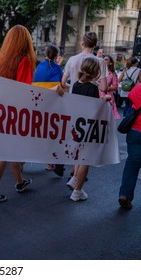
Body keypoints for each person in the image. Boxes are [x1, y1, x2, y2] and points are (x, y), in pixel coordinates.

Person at [0, 25, 36, 203]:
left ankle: (19, 182)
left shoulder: (0, 59)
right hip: (14, 112)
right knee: (5, 152)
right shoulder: (24, 60)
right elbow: (24, 90)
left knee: (12, 149)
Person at [62, 32, 108, 190]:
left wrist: (75, 87)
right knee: (86, 152)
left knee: (77, 146)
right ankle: (77, 186)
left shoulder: (73, 59)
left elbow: (63, 82)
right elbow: (104, 88)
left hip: (74, 107)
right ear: (95, 44)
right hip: (89, 113)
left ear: (82, 43)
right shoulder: (99, 61)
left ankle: (74, 178)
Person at [69, 57, 110, 201]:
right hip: (87, 126)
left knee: (78, 154)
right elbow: (94, 109)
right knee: (86, 158)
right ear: (95, 73)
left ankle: (74, 179)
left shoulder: (75, 85)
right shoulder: (92, 88)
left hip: (76, 126)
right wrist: (104, 100)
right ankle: (77, 191)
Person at [32, 44, 65, 176]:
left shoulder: (39, 67)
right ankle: (51, 162)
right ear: (56, 56)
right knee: (53, 134)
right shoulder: (56, 68)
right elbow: (61, 87)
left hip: (38, 105)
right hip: (54, 107)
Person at [118, 83, 141, 209]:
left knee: (132, 163)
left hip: (135, 130)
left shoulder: (139, 87)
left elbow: (131, 96)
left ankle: (125, 194)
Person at [101, 55, 120, 120]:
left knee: (106, 117)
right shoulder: (98, 71)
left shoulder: (112, 74)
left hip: (107, 96)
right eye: (103, 59)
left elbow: (115, 87)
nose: (104, 60)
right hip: (96, 94)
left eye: (106, 59)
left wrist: (105, 87)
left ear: (110, 63)